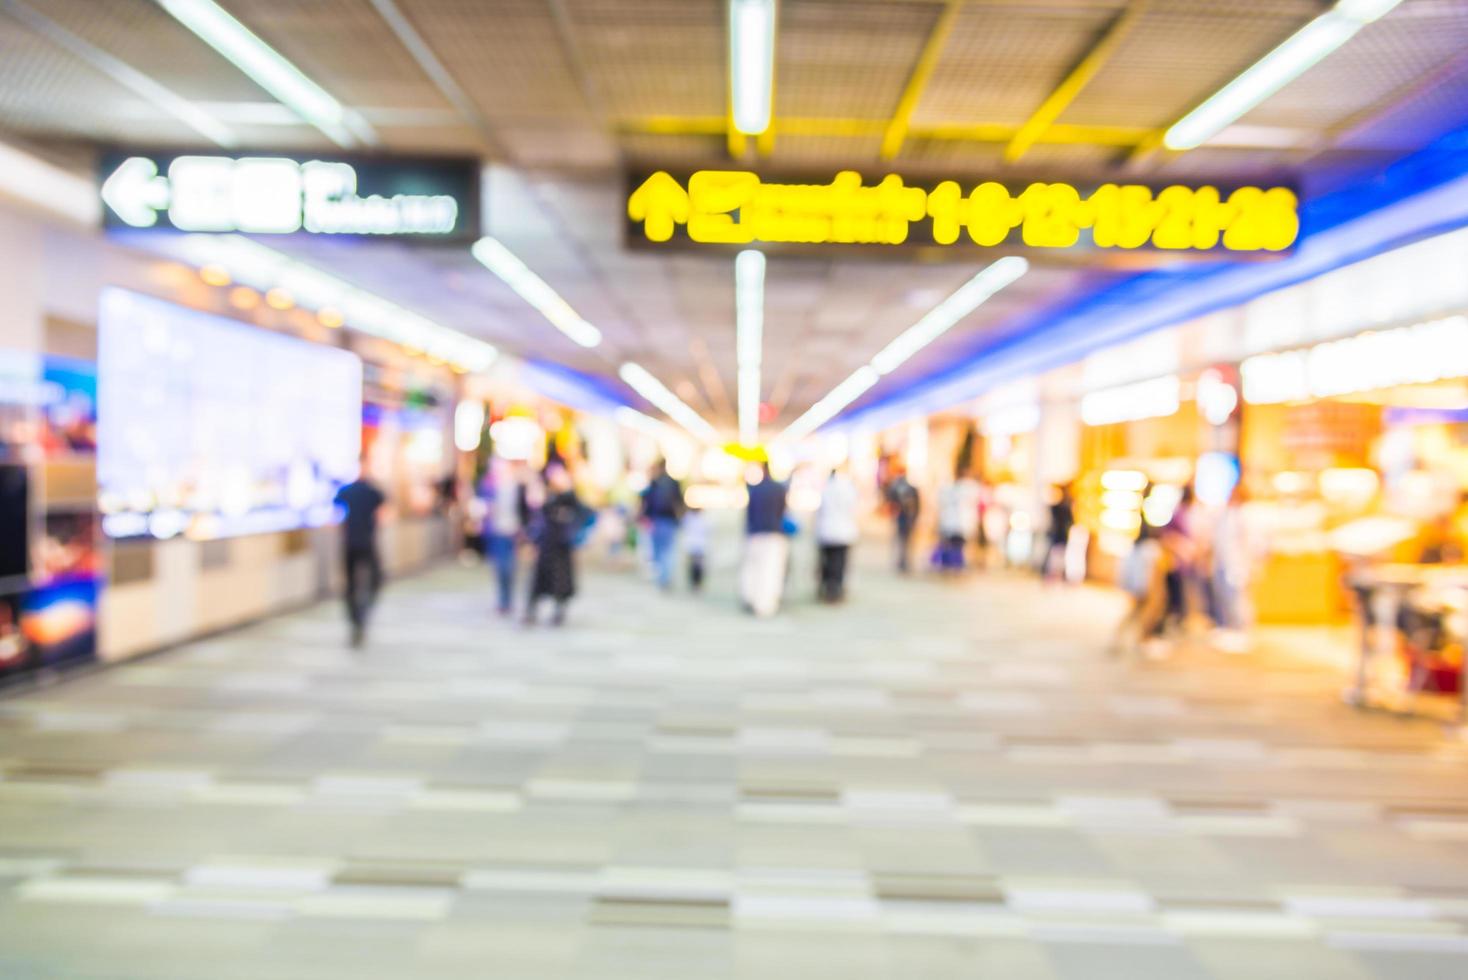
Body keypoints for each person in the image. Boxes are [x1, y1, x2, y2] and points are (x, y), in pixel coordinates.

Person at [523, 462, 591, 627]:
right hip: (547, 543)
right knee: (539, 580)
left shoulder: (570, 496)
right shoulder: (546, 494)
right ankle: (532, 611)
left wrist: (572, 529)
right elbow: (537, 514)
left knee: (561, 581)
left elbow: (584, 514)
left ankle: (559, 611)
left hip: (562, 545)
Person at [334, 463, 386, 648]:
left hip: (351, 542)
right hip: (364, 541)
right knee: (373, 580)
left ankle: (357, 617)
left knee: (353, 584)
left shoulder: (349, 491)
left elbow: (336, 505)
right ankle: (359, 616)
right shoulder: (370, 491)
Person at [1113, 520, 1170, 658]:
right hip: (1147, 587)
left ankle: (1118, 638)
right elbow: (1153, 572)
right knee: (1146, 616)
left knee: (1133, 613)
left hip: (1136, 586)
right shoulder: (1152, 549)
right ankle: (1140, 640)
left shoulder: (1136, 548)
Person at [741, 462, 789, 617]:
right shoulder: (779, 489)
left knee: (753, 568)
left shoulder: (755, 490)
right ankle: (765, 605)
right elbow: (783, 512)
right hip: (774, 534)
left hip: (755, 533)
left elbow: (749, 514)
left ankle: (751, 598)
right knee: (770, 571)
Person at [481, 459, 528, 616]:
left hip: (512, 533)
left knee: (510, 568)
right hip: (496, 532)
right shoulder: (490, 488)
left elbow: (524, 511)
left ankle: (508, 600)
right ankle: (502, 600)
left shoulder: (518, 488)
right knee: (499, 568)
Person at [815, 464, 859, 602]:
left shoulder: (827, 489)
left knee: (828, 562)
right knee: (839, 563)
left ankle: (829, 588)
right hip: (842, 533)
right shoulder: (848, 489)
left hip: (828, 532)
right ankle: (835, 588)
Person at [640, 459, 685, 591]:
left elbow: (646, 503)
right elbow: (680, 503)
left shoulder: (654, 483)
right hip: (668, 520)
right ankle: (665, 576)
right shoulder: (673, 483)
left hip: (656, 520)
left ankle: (662, 577)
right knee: (668, 550)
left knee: (658, 551)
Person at [936, 472, 980, 574]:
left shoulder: (951, 490)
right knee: (954, 545)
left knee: (955, 544)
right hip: (955, 523)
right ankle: (953, 564)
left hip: (955, 523)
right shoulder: (960, 491)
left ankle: (954, 564)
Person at [884, 467, 920, 573]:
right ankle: (903, 561)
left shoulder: (896, 487)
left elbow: (890, 500)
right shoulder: (910, 488)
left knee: (901, 540)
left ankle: (902, 561)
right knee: (905, 540)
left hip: (902, 517)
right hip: (906, 517)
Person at [1042, 483, 1075, 582]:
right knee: (1055, 556)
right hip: (1056, 535)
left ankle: (1056, 575)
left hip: (1060, 536)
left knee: (1058, 557)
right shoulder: (1056, 507)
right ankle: (1053, 575)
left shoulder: (1063, 506)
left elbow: (1070, 521)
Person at [683, 504, 708, 591]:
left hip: (694, 545)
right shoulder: (702, 519)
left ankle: (695, 583)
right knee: (697, 567)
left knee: (695, 566)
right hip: (698, 546)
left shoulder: (688, 518)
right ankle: (696, 584)